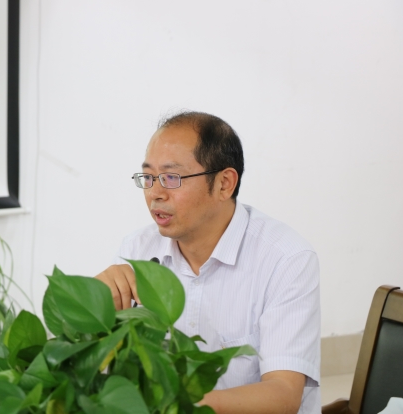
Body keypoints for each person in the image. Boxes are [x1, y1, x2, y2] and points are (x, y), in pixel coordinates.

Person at [95, 111, 320, 414]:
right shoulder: (137, 248)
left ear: (224, 184)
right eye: (148, 177)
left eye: (171, 178)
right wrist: (98, 306)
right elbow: (101, 367)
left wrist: (179, 406)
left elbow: (283, 394)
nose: (155, 194)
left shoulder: (286, 259)